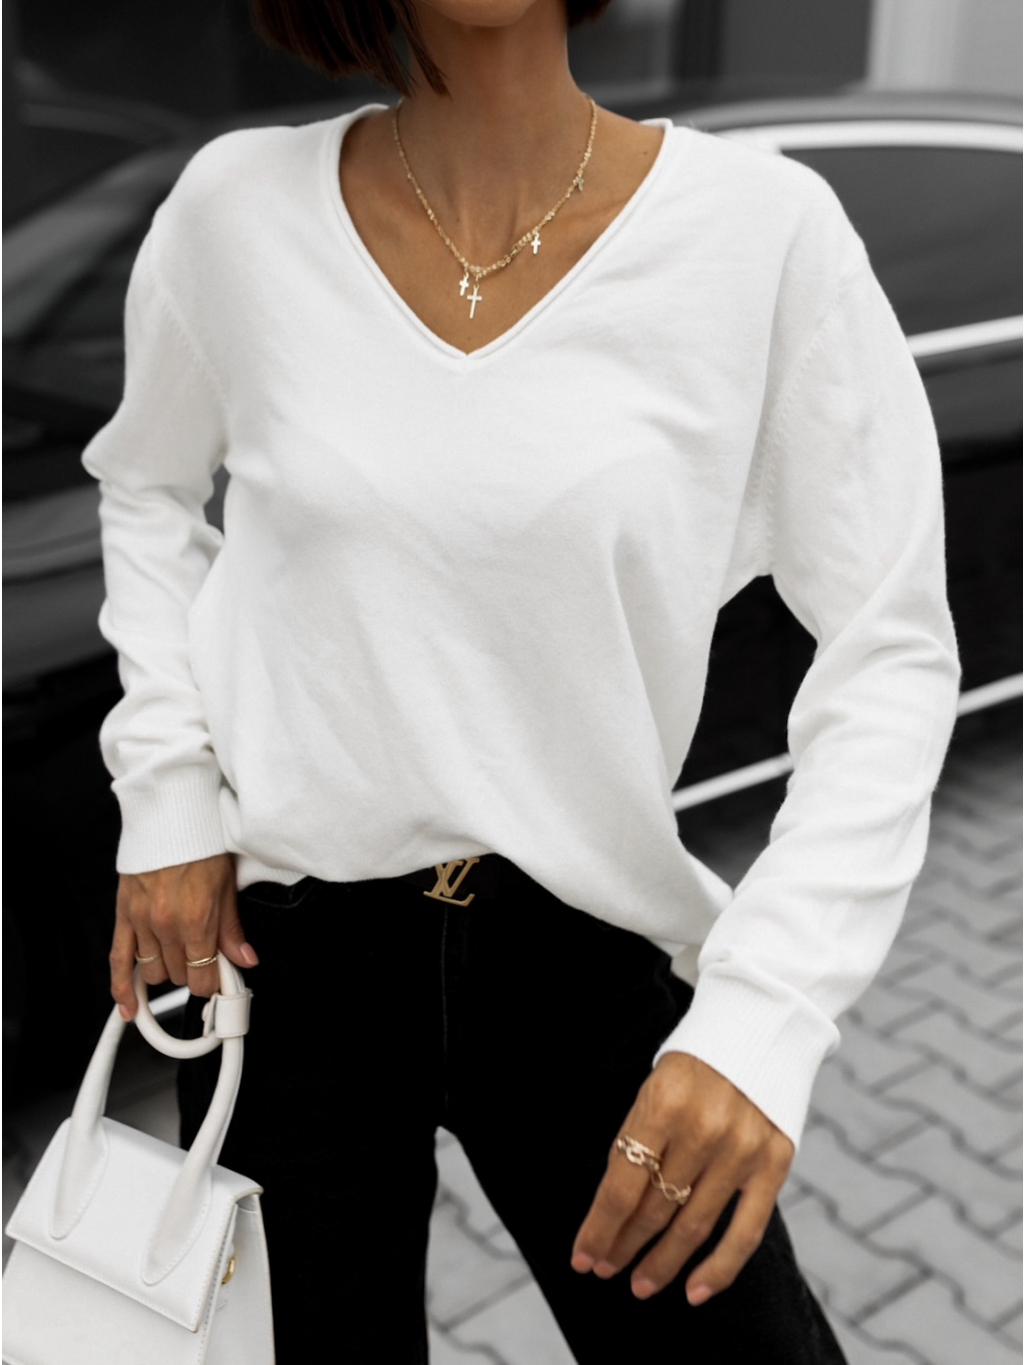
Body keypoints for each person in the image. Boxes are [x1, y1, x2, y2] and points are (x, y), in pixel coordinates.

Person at [81, 0, 961, 1360]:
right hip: (288, 961)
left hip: (581, 949)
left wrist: (761, 1021)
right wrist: (168, 797)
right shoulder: (236, 211)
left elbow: (890, 646)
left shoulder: (763, 237)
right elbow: (145, 489)